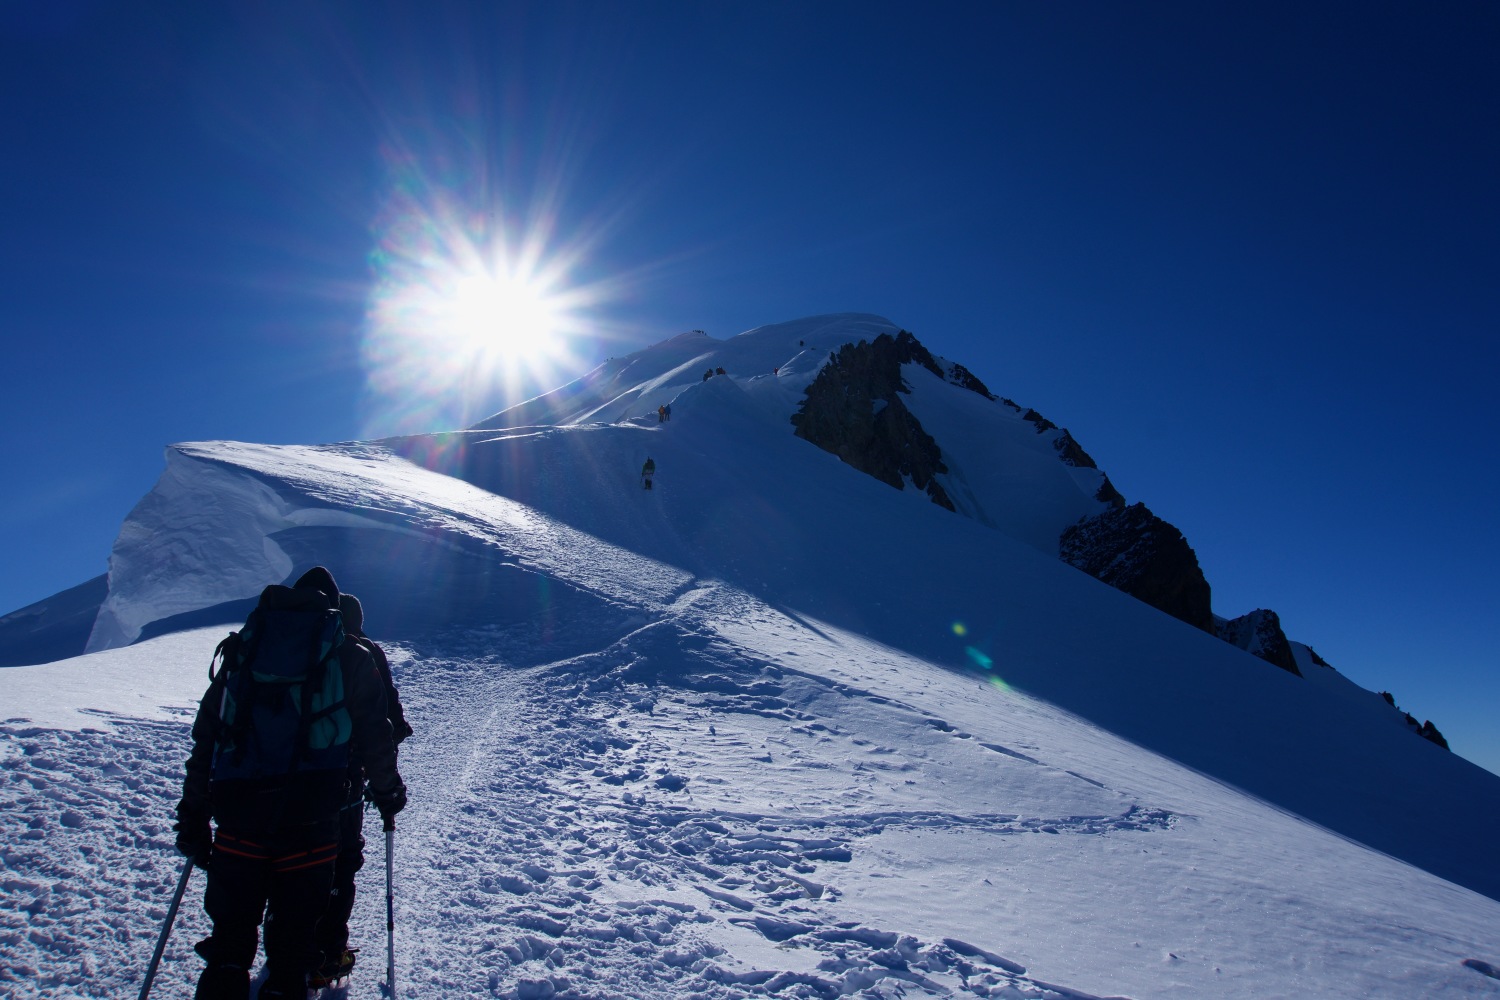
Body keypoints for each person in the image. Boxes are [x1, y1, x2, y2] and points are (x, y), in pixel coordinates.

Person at [174, 567, 406, 1000]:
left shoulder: (245, 649)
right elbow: (378, 732)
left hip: (238, 814)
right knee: (293, 943)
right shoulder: (348, 654)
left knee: (229, 940)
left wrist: (193, 815)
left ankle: (226, 975)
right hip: (312, 817)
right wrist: (388, 792)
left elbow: (207, 739)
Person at [312, 592, 413, 986]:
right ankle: (327, 953)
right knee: (341, 861)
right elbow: (386, 720)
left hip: (282, 782)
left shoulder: (299, 652)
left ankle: (287, 951)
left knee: (291, 863)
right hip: (343, 781)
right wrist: (387, 786)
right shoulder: (362, 652)